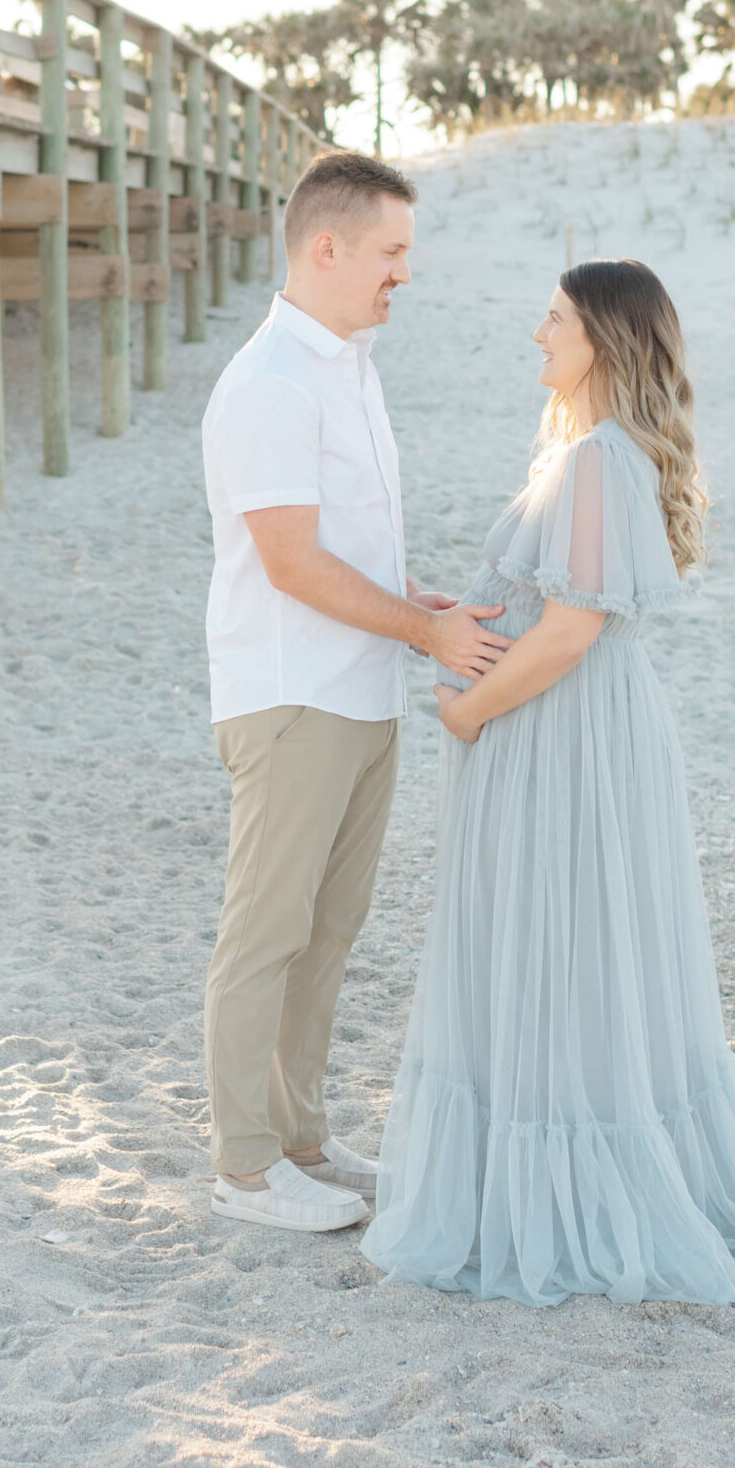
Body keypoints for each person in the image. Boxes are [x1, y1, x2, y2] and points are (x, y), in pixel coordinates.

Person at [361, 258, 735, 1304]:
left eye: (554, 319)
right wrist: (452, 620)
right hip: (557, 727)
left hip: (560, 732)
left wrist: (469, 707)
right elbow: (544, 605)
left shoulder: (600, 459)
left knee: (563, 948)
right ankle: (526, 1190)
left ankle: (572, 1200)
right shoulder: (588, 456)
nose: (536, 335)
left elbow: (569, 630)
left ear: (601, 339)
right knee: (561, 947)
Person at [198, 151, 513, 1233]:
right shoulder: (269, 383)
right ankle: (243, 1169)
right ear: (324, 248)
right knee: (265, 933)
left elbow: (340, 550)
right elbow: (287, 563)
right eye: (391, 252)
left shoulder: (349, 366)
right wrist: (424, 629)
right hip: (292, 697)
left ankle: (300, 1140)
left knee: (327, 932)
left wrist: (409, 604)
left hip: (360, 688)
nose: (403, 275)